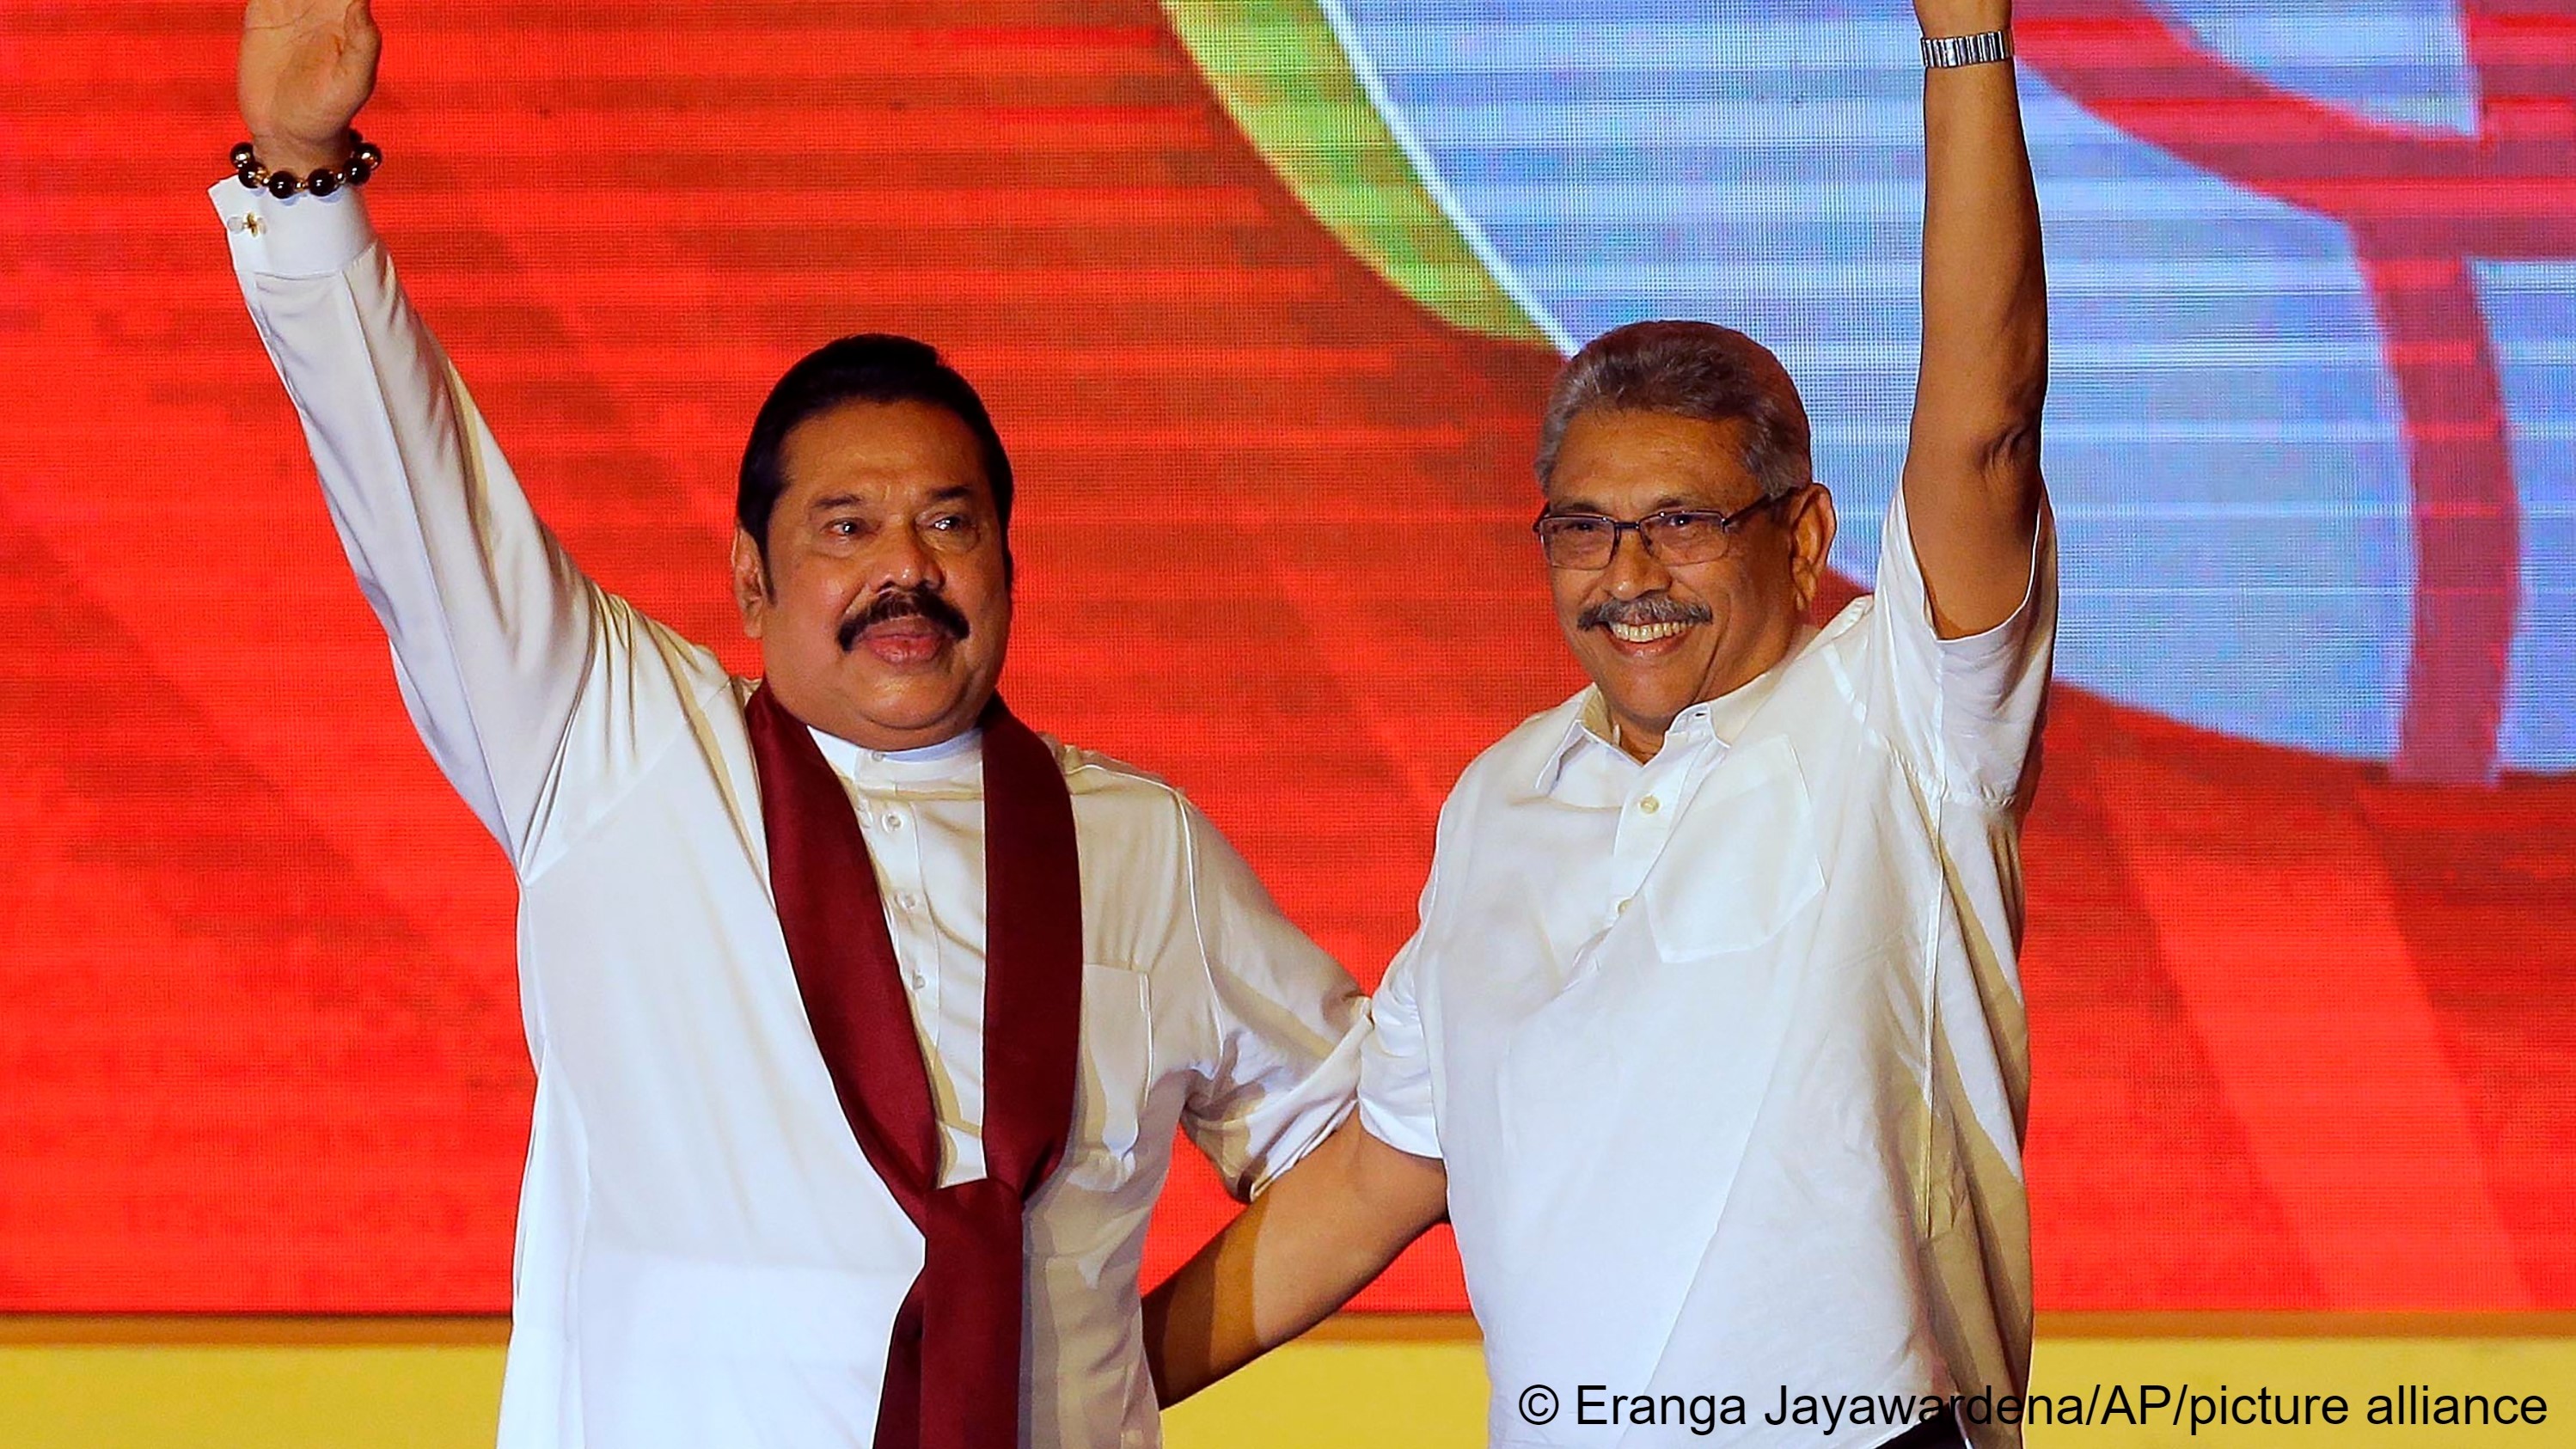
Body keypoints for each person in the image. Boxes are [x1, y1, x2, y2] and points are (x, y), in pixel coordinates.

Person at [217, 3, 1368, 1446]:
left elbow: (1369, 1144)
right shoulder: (614, 745)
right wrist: (301, 164)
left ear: (1008, 566)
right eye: (847, 526)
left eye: (950, 523)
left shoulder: (1142, 844)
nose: (908, 567)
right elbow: (416, 498)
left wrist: (1116, 1368)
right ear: (752, 580)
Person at [1144, 3, 2053, 1446]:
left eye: (1681, 523)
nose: (1628, 577)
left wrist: (1963, 43)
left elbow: (1984, 424)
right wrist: (1082, 1392)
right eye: (1584, 530)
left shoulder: (1899, 715)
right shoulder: (1499, 797)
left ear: (1807, 540)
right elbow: (1383, 1170)